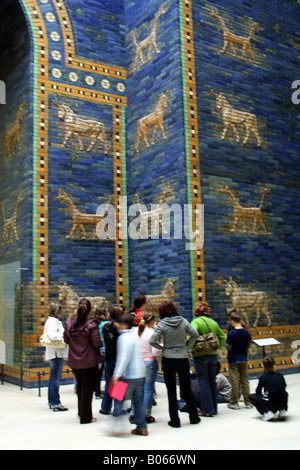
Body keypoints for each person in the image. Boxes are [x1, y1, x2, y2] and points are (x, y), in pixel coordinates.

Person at [149, 301, 200, 428]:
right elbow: (195, 334)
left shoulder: (162, 324)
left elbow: (152, 341)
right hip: (182, 358)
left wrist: (162, 348)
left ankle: (175, 420)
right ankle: (194, 417)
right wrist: (186, 345)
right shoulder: (183, 321)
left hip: (168, 359)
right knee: (186, 388)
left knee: (171, 390)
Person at [64, 298, 102, 423]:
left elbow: (66, 340)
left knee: (80, 387)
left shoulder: (70, 323)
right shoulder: (91, 325)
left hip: (75, 361)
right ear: (90, 310)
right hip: (89, 361)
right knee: (87, 389)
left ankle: (81, 412)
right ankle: (86, 417)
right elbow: (97, 344)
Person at [112, 313, 148, 436]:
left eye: (120, 324)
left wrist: (117, 374)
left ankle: (117, 427)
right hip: (140, 374)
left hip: (128, 375)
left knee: (118, 399)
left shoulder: (124, 338)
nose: (118, 326)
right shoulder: (136, 335)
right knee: (138, 402)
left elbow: (124, 358)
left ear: (125, 324)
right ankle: (141, 426)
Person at [190, 301, 226, 416]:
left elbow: (192, 334)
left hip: (200, 355)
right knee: (212, 381)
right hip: (213, 355)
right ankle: (214, 408)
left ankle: (207, 410)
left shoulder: (196, 322)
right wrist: (218, 347)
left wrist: (190, 347)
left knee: (203, 382)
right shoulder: (213, 322)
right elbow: (221, 336)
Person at [43, 302, 68, 411]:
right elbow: (53, 335)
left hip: (55, 353)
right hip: (56, 353)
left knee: (53, 377)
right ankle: (55, 403)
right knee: (56, 378)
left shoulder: (52, 321)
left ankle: (52, 401)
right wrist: (63, 334)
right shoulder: (53, 322)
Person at [137, 312, 161, 423]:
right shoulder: (151, 334)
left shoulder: (138, 332)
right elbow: (155, 352)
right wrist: (161, 346)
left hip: (139, 362)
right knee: (148, 390)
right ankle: (146, 414)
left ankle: (136, 412)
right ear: (151, 321)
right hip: (150, 362)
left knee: (140, 389)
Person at [225, 311, 252, 410]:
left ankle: (234, 402)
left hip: (233, 358)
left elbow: (228, 347)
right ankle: (248, 402)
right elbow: (248, 345)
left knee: (234, 380)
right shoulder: (246, 332)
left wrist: (224, 341)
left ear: (232, 321)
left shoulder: (231, 333)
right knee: (245, 379)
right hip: (243, 357)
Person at [100, 305, 123, 415]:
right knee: (118, 383)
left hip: (108, 358)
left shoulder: (106, 327)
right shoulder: (119, 328)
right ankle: (118, 409)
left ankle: (105, 407)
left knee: (108, 383)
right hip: (118, 358)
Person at [250, 356, 288, 421]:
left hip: (271, 403)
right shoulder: (280, 375)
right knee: (284, 393)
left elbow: (258, 392)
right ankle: (282, 410)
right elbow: (283, 387)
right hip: (282, 401)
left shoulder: (263, 377)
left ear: (264, 368)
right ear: (274, 366)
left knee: (252, 397)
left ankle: (267, 413)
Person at [93, 307, 109, 399]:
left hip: (98, 350)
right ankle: (107, 391)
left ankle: (97, 391)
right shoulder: (106, 324)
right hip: (106, 350)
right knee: (107, 371)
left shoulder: (94, 324)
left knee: (98, 371)